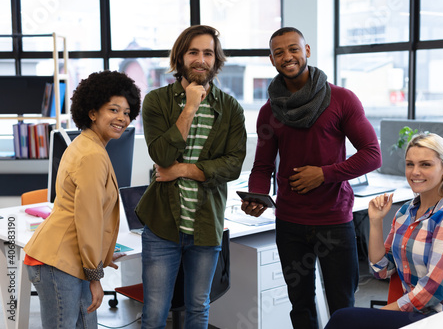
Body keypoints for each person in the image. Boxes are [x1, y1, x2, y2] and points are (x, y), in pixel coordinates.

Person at [241, 27, 382, 328]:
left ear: (306, 50)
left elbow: (372, 154)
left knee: (342, 306)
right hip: (290, 223)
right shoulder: (269, 111)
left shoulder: (341, 99)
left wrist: (324, 174)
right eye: (278, 52)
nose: (287, 56)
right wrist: (256, 196)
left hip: (333, 221)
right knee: (300, 306)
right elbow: (262, 166)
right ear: (272, 59)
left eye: (293, 48)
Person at [134, 25, 246, 329]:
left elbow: (233, 165)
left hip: (206, 224)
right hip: (162, 227)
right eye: (193, 52)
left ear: (216, 59)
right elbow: (161, 156)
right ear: (180, 57)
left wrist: (183, 170)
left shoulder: (231, 108)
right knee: (156, 312)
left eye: (207, 52)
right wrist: (191, 106)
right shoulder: (157, 101)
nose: (200, 59)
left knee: (199, 308)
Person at [23, 70, 141, 328]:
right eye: (113, 110)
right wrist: (95, 275)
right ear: (92, 112)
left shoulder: (89, 146)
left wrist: (101, 255)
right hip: (58, 261)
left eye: (127, 112)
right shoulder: (91, 155)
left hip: (67, 259)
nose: (122, 118)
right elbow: (87, 219)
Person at [325, 133, 443, 329]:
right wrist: (376, 221)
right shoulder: (406, 212)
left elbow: (431, 292)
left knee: (344, 319)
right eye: (410, 164)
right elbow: (381, 270)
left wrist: (378, 314)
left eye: (425, 164)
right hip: (415, 313)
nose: (415, 172)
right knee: (345, 319)